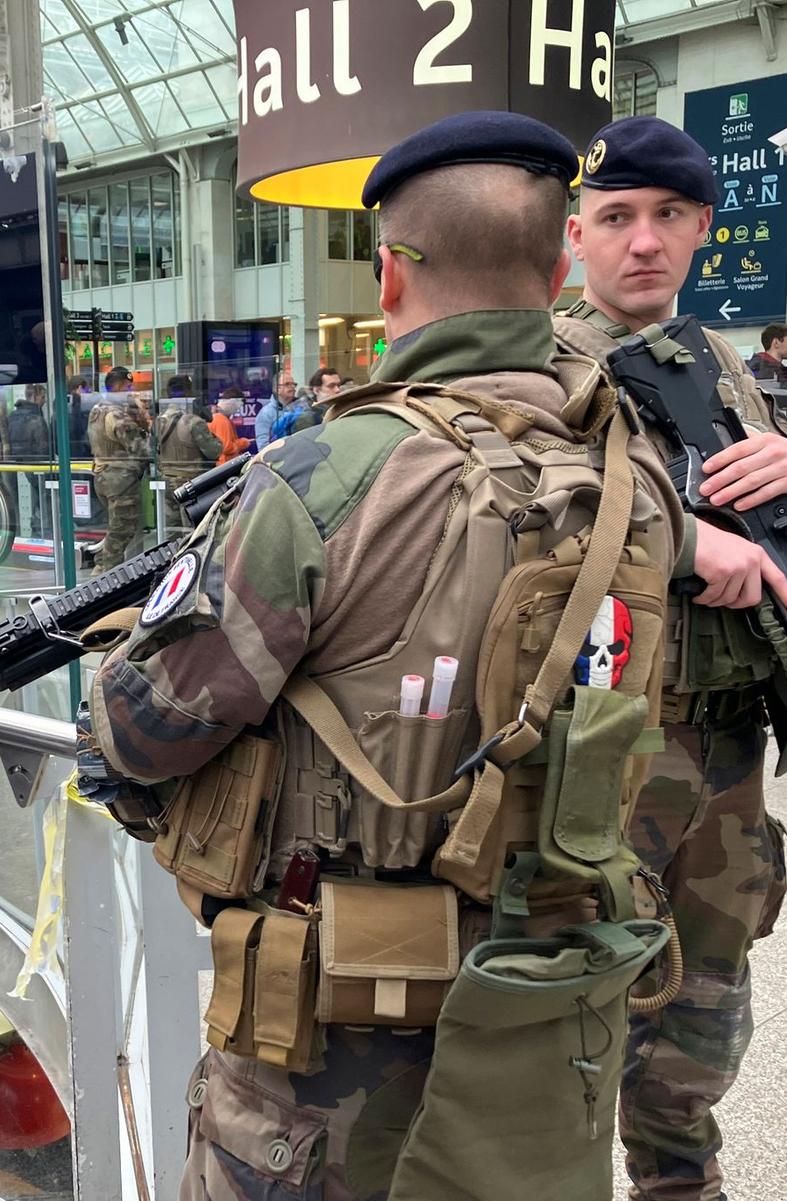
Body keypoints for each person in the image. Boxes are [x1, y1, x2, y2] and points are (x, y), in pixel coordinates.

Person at [88, 112, 685, 1200]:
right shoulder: (632, 476)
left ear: (388, 273)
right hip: (540, 1006)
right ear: (559, 266)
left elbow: (147, 730)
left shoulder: (324, 475)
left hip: (329, 1064)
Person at [557, 114, 787, 1201]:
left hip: (730, 748)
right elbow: (509, 519)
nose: (641, 241)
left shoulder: (716, 361)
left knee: (702, 1019)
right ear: (575, 235)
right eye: (615, 219)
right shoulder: (540, 368)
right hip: (609, 754)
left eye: (666, 217)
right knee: (567, 1013)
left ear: (701, 225)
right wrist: (687, 543)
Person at [87, 366, 150, 575]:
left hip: (103, 476)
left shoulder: (97, 409)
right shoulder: (117, 414)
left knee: (116, 527)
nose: (131, 391)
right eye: (127, 386)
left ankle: (103, 565)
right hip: (120, 479)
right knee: (122, 530)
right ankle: (105, 571)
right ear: (116, 387)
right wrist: (145, 423)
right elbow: (139, 448)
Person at [155, 375, 222, 530]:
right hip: (190, 483)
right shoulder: (194, 421)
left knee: (172, 532)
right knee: (193, 531)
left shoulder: (160, 420)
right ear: (187, 392)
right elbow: (214, 451)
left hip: (167, 481)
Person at [7, 385, 52, 538]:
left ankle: (33, 529)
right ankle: (43, 530)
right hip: (36, 466)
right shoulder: (36, 419)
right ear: (34, 396)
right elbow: (43, 448)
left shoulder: (10, 417)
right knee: (45, 498)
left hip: (15, 467)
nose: (44, 401)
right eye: (42, 397)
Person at [253, 371, 297, 450]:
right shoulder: (266, 414)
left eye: (293, 384)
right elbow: (263, 446)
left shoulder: (300, 408)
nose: (292, 387)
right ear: (276, 389)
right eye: (287, 384)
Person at [210, 387, 250, 465]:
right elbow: (226, 447)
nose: (237, 410)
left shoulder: (222, 418)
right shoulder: (221, 420)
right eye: (237, 407)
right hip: (223, 465)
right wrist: (243, 443)